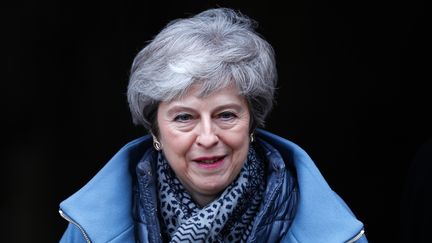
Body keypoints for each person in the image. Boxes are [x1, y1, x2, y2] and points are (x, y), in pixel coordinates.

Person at [59, 8, 367, 243]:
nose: (207, 137)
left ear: (252, 122)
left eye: (226, 115)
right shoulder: (88, 231)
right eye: (184, 117)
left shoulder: (337, 234)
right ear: (155, 131)